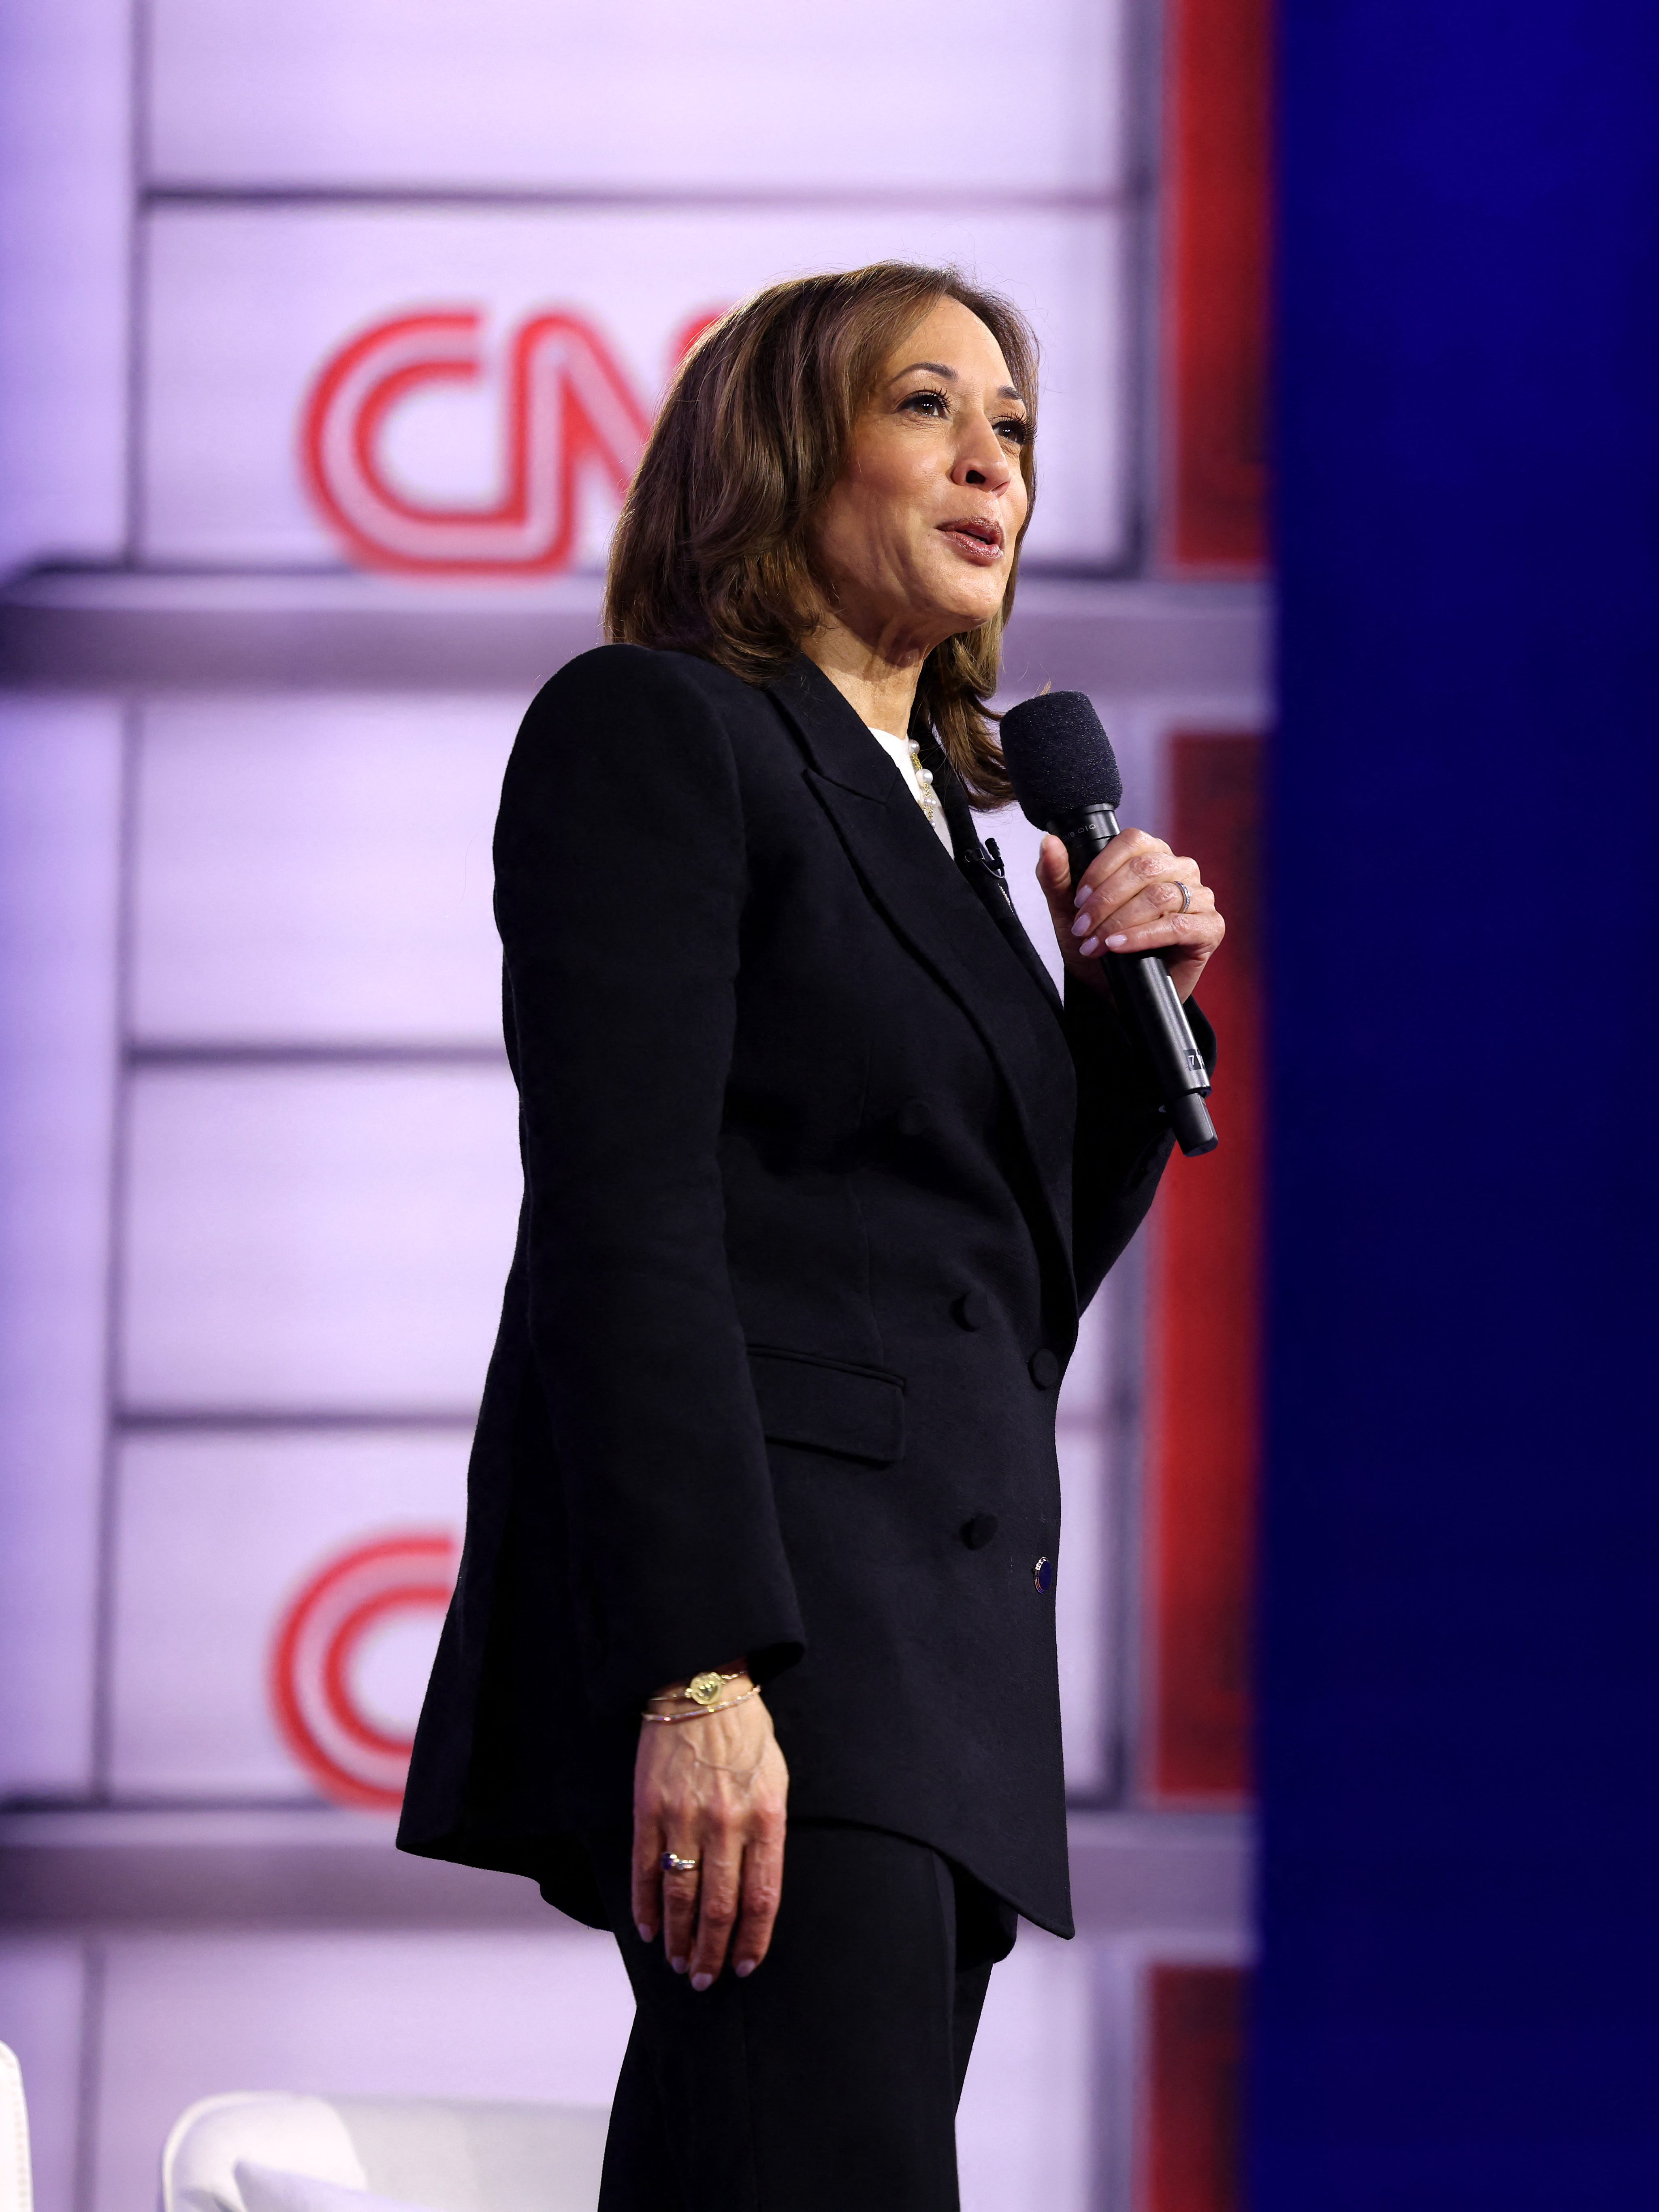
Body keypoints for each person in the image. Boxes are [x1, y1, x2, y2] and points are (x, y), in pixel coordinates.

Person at [399, 262, 1225, 2211]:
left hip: (937, 1680)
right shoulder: (661, 732)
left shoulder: (962, 830)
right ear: (783, 450)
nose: (990, 461)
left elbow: (993, 1292)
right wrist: (698, 1670)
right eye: (928, 407)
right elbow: (626, 1219)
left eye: (1014, 425)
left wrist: (1124, 1032)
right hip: (778, 1656)